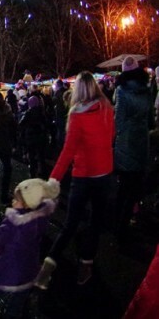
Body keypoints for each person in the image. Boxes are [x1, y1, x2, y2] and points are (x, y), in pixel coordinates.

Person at [35, 71, 115, 289]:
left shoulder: (77, 115)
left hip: (83, 176)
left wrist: (53, 180)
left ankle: (47, 268)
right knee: (95, 223)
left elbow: (67, 152)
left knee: (70, 224)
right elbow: (111, 138)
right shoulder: (107, 109)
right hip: (104, 175)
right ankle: (86, 263)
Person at [0, 178, 59, 318]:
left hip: (8, 267)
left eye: (16, 199)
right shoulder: (41, 218)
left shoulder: (12, 224)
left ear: (27, 204)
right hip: (28, 268)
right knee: (19, 298)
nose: (12, 201)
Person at [113, 56, 153, 242]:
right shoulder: (146, 90)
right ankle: (128, 220)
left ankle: (119, 228)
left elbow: (119, 120)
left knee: (123, 188)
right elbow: (150, 118)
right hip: (141, 142)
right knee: (135, 187)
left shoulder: (121, 90)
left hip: (126, 144)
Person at [18, 95, 51, 177]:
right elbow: (47, 124)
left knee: (32, 157)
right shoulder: (42, 112)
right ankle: (42, 172)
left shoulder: (28, 113)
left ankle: (32, 173)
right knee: (41, 156)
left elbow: (21, 124)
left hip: (31, 138)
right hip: (41, 137)